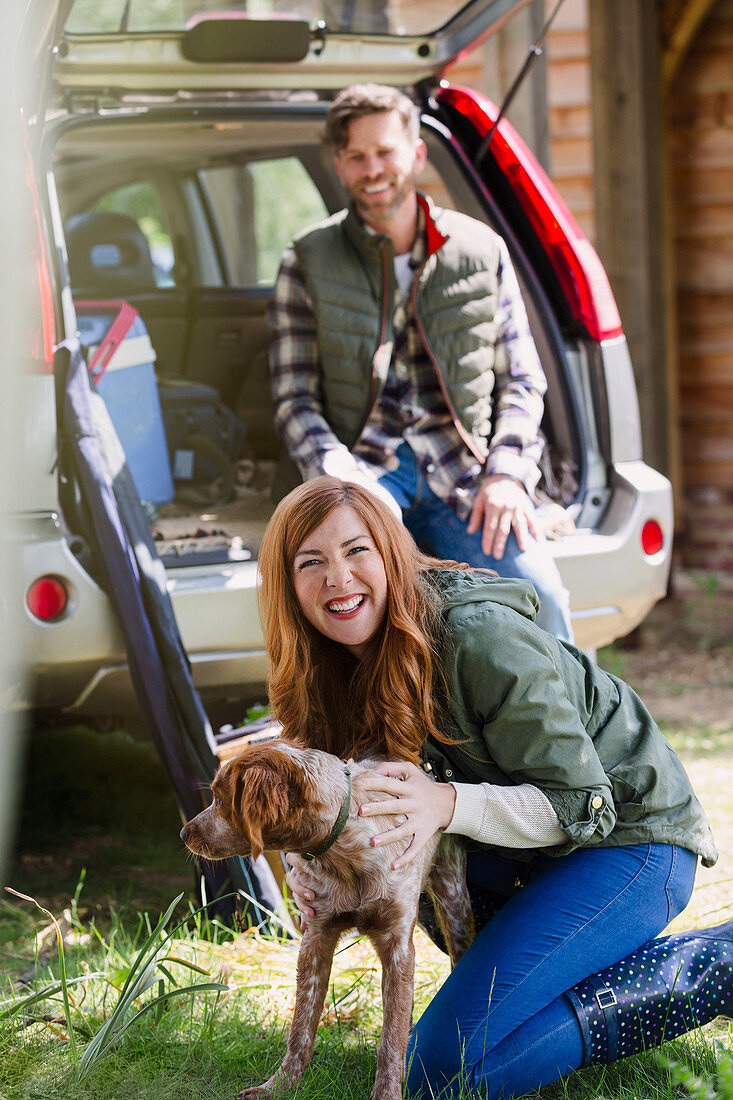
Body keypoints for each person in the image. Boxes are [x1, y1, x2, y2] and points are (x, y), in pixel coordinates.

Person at [256, 475, 730, 1100]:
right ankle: (561, 974)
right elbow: (345, 798)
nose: (338, 579)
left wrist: (445, 803)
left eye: (357, 550)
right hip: (519, 853)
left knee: (438, 1077)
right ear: (288, 587)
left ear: (392, 551)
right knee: (466, 1008)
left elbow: (584, 805)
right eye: (310, 562)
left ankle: (717, 963)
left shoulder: (477, 636)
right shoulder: (327, 663)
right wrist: (311, 859)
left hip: (628, 840)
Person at [267, 82, 573, 641]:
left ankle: (578, 727)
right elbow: (294, 399)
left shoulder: (481, 250)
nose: (373, 168)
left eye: (385, 151)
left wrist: (506, 472)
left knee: (543, 602)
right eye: (357, 156)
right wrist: (337, 471)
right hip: (367, 470)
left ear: (416, 153)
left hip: (465, 469)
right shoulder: (306, 259)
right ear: (340, 165)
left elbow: (524, 380)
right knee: (385, 632)